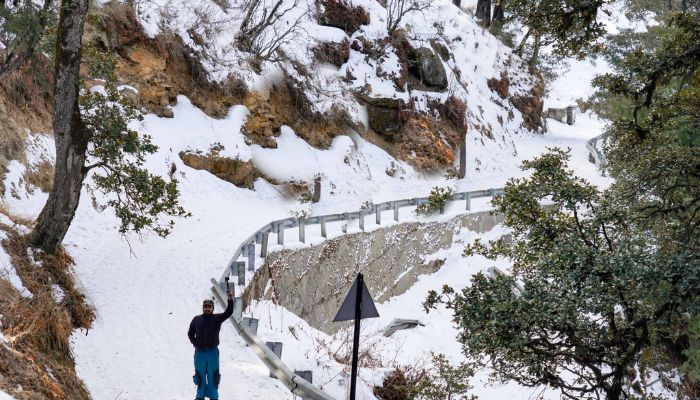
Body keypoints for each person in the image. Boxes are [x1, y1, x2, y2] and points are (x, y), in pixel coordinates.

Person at [188, 290, 233, 400]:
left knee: (213, 376)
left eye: (209, 306)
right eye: (205, 306)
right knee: (200, 376)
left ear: (213, 308)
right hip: (199, 353)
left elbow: (228, 312)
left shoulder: (217, 318)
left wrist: (230, 299)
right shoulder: (196, 319)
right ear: (202, 308)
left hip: (212, 352)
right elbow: (190, 333)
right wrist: (195, 343)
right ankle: (200, 396)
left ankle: (213, 396)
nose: (207, 308)